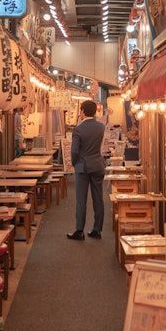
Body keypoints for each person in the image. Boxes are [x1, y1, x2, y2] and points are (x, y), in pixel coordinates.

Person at [67, 99, 105, 240]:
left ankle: (79, 230)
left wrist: (74, 163)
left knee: (81, 200)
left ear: (82, 111)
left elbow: (75, 151)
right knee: (98, 199)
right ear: (95, 111)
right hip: (97, 165)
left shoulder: (78, 130)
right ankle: (97, 230)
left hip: (83, 167)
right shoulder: (101, 127)